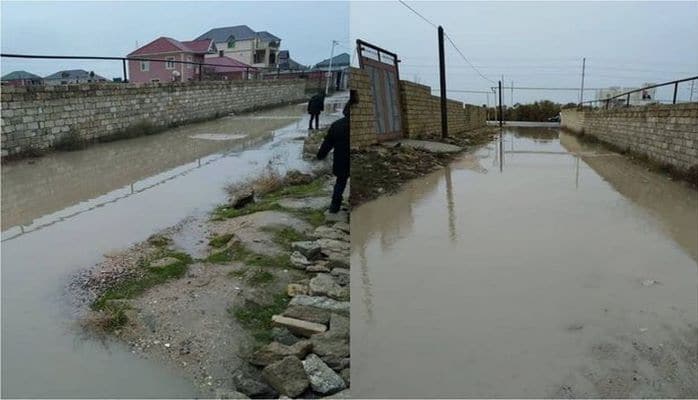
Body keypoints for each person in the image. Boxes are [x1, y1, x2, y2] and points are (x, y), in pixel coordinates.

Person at [317, 90, 357, 214]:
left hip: (341, 160)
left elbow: (327, 143)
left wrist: (320, 156)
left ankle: (334, 208)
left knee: (340, 183)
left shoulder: (337, 125)